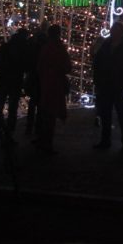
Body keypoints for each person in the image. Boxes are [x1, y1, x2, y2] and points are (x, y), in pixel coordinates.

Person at [92, 22, 123, 150]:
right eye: (112, 30)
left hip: (119, 85)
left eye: (114, 30)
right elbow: (98, 60)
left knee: (122, 114)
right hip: (106, 84)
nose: (112, 32)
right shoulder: (107, 44)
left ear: (121, 32)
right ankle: (106, 140)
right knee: (106, 114)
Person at [36, 24, 72, 154]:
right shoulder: (58, 48)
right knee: (50, 115)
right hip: (55, 85)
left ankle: (42, 140)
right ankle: (47, 143)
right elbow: (67, 66)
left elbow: (39, 67)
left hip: (45, 84)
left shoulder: (45, 47)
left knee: (45, 113)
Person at [0, 28, 31, 136]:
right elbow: (26, 66)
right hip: (15, 81)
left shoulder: (6, 46)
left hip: (2, 80)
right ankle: (9, 134)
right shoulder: (24, 48)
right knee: (12, 108)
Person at [24, 24, 48, 137]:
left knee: (33, 102)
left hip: (33, 76)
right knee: (40, 103)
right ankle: (38, 128)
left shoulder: (31, 43)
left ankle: (30, 126)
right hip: (41, 77)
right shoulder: (46, 45)